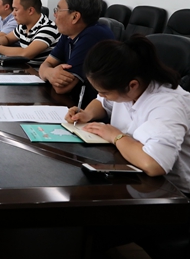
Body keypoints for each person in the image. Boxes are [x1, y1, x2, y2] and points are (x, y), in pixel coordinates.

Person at [66, 35, 190, 258]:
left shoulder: (167, 105)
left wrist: (115, 135)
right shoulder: (129, 85)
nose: (101, 95)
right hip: (133, 176)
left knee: (82, 228)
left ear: (132, 85)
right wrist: (87, 113)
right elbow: (102, 102)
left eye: (105, 91)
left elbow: (154, 164)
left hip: (170, 194)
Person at [39, 0, 114, 103]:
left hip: (93, 108)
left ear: (75, 17)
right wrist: (50, 73)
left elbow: (61, 88)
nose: (55, 14)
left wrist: (47, 72)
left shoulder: (93, 36)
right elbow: (46, 63)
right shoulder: (70, 32)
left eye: (58, 10)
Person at [0, 0, 60, 66]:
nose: (13, 13)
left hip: (36, 71)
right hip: (23, 68)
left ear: (30, 10)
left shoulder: (48, 28)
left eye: (16, 9)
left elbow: (26, 53)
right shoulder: (23, 26)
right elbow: (7, 38)